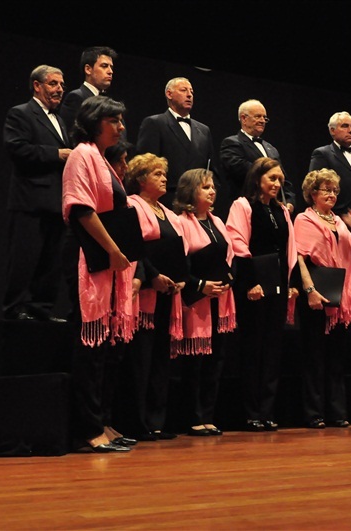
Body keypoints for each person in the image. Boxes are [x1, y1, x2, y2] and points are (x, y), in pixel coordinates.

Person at [62, 95, 136, 452]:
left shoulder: (103, 159)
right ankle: (88, 428)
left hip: (110, 267)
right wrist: (113, 249)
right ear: (95, 121)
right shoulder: (82, 154)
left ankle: (103, 421)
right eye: (115, 121)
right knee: (89, 350)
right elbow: (80, 209)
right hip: (89, 261)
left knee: (108, 350)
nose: (121, 127)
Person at [225, 157, 300, 432]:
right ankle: (251, 412)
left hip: (278, 286)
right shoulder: (243, 206)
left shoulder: (282, 210)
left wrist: (290, 282)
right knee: (253, 349)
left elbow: (290, 249)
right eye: (272, 179)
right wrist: (250, 282)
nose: (277, 184)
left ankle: (267, 411)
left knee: (272, 350)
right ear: (258, 179)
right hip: (254, 287)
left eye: (280, 179)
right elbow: (237, 243)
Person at [122, 153, 187, 441]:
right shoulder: (132, 205)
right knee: (141, 359)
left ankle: (157, 421)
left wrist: (179, 278)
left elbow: (176, 250)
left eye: (164, 173)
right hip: (144, 293)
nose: (164, 178)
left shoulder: (168, 212)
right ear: (140, 179)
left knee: (161, 359)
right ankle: (137, 422)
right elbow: (135, 248)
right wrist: (153, 276)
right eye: (157, 174)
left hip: (167, 293)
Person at [294, 169, 351, 428]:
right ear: (313, 193)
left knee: (336, 358)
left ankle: (337, 412)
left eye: (335, 190)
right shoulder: (303, 219)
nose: (332, 194)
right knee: (315, 357)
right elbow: (300, 257)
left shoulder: (340, 221)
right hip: (317, 293)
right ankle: (314, 413)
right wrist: (310, 291)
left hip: (341, 296)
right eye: (326, 189)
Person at [2, 65, 71, 321]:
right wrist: (57, 154)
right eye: (53, 84)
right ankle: (15, 308)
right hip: (29, 200)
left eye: (61, 85)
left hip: (55, 202)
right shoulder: (20, 113)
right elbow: (16, 149)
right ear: (37, 86)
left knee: (50, 261)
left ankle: (41, 308)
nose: (59, 89)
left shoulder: (61, 119)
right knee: (24, 258)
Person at [173, 169, 236, 436]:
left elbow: (229, 257)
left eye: (213, 187)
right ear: (190, 191)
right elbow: (179, 264)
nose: (212, 191)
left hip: (219, 299)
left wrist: (228, 279)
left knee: (216, 361)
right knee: (194, 363)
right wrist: (201, 286)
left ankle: (208, 415)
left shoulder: (218, 221)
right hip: (195, 300)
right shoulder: (181, 222)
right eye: (205, 187)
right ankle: (193, 417)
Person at [136, 77, 223, 217]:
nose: (189, 95)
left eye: (192, 92)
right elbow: (146, 166)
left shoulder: (204, 129)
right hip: (166, 200)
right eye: (183, 90)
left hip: (198, 204)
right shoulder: (155, 123)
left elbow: (212, 169)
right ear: (169, 94)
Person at [219, 99, 296, 212]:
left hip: (275, 209)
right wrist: (269, 174)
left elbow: (284, 178)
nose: (262, 121)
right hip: (249, 208)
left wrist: (290, 202)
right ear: (244, 118)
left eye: (264, 118)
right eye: (258, 116)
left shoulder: (271, 148)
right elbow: (240, 169)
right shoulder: (231, 143)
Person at [308, 111, 351, 215]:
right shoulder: (322, 154)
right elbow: (314, 187)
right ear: (332, 130)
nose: (350, 130)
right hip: (337, 216)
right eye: (345, 126)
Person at [59, 46, 117, 142]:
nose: (110, 71)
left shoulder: (106, 101)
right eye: (104, 66)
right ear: (88, 69)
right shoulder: (76, 97)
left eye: (111, 67)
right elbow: (71, 137)